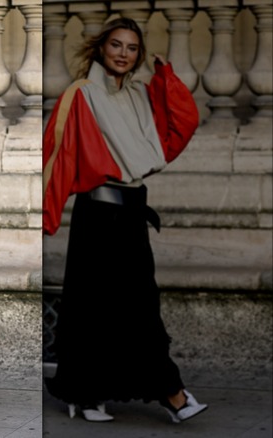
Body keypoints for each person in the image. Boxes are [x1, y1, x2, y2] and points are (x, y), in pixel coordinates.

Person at [42, 18, 209, 424]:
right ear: (102, 48)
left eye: (131, 48)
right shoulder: (80, 94)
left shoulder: (140, 95)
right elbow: (56, 155)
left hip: (132, 213)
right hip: (97, 216)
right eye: (116, 45)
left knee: (136, 305)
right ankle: (163, 395)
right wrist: (43, 216)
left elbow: (179, 127)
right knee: (92, 307)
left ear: (137, 55)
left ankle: (102, 392)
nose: (123, 53)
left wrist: (166, 79)